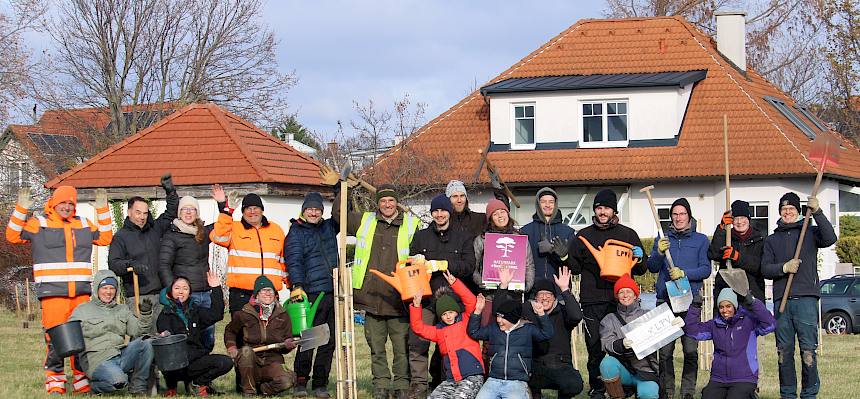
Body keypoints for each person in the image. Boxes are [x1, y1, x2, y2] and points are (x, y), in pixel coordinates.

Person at [5, 185, 112, 394]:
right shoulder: (39, 223)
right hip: (53, 293)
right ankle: (55, 379)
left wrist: (102, 210)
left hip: (80, 293)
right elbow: (12, 236)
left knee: (80, 336)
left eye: (71, 203)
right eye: (63, 203)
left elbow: (106, 238)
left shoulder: (83, 223)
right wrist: (21, 209)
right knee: (54, 337)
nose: (67, 207)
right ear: (54, 203)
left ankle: (81, 377)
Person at [328, 175, 420, 399]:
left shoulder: (411, 224)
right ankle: (380, 385)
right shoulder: (365, 221)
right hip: (371, 297)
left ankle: (401, 386)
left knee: (401, 347)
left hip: (399, 297)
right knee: (376, 348)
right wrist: (344, 189)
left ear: (396, 202)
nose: (387, 205)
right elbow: (339, 216)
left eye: (391, 201)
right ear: (377, 203)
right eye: (383, 201)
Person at [567, 189, 647, 399]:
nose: (602, 212)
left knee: (625, 343)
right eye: (599, 208)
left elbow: (640, 269)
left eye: (606, 208)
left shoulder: (628, 234)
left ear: (614, 210)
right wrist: (564, 255)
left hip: (620, 301)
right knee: (594, 347)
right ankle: (597, 387)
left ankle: (625, 385)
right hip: (592, 300)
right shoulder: (584, 235)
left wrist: (641, 256)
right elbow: (574, 268)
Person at [761, 192, 836, 398]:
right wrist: (783, 268)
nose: (787, 212)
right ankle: (787, 394)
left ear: (798, 211)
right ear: (780, 212)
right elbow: (765, 269)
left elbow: (830, 238)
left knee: (808, 351)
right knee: (783, 353)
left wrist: (818, 212)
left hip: (806, 299)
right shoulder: (772, 240)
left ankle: (809, 394)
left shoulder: (810, 233)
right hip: (782, 302)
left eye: (791, 209)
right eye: (784, 209)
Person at [408, 193, 477, 398]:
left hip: (452, 302)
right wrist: (416, 259)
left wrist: (443, 264)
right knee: (417, 342)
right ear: (432, 213)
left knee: (449, 344)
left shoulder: (464, 236)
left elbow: (468, 266)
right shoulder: (421, 236)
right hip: (428, 299)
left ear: (449, 211)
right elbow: (410, 261)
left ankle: (445, 381)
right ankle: (419, 385)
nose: (439, 214)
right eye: (435, 211)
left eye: (443, 210)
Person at [646, 197, 710, 399]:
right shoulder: (663, 239)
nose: (679, 217)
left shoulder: (701, 240)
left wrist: (685, 273)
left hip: (690, 301)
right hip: (665, 301)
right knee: (665, 352)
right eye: (675, 214)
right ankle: (667, 391)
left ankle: (688, 392)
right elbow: (652, 267)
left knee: (690, 351)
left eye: (682, 214)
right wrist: (658, 252)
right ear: (670, 217)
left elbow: (706, 270)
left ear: (689, 216)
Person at [285, 192, 339, 398]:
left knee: (329, 340)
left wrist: (339, 189)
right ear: (304, 210)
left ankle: (320, 382)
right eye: (310, 209)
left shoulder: (328, 227)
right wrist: (297, 285)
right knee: (310, 339)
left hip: (332, 290)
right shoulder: (297, 232)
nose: (314, 212)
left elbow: (341, 211)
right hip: (311, 293)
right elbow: (294, 259)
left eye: (317, 209)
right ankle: (301, 380)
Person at [109, 173, 178, 330]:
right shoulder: (121, 237)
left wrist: (170, 192)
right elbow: (114, 264)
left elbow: (171, 212)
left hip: (160, 295)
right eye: (138, 212)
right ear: (129, 212)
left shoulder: (154, 229)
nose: (142, 217)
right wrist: (132, 265)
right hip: (137, 297)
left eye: (145, 213)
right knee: (143, 338)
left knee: (162, 336)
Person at [69, 270, 155, 395]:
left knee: (147, 343)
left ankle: (137, 386)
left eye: (112, 288)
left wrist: (145, 315)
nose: (108, 292)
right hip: (98, 360)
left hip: (120, 354)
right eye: (104, 288)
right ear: (97, 289)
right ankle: (95, 386)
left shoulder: (122, 309)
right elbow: (69, 335)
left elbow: (138, 331)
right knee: (119, 382)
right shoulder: (82, 310)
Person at [684, 288, 776, 399]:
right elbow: (692, 331)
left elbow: (770, 325)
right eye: (721, 307)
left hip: (744, 377)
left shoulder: (748, 321)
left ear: (735, 306)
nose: (725, 310)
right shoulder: (715, 324)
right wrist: (695, 306)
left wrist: (754, 302)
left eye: (728, 306)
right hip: (718, 378)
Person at [210, 185, 287, 314]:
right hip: (241, 294)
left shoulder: (276, 230)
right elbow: (218, 237)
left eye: (256, 208)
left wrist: (292, 285)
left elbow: (283, 260)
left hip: (269, 293)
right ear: (243, 211)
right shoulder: (234, 228)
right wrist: (226, 212)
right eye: (248, 209)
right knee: (242, 333)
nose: (252, 212)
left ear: (262, 210)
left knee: (270, 332)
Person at [409, 271, 484, 399]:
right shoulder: (439, 331)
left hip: (472, 376)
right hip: (451, 380)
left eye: (450, 312)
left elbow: (471, 301)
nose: (448, 316)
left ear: (456, 311)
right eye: (444, 314)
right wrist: (416, 307)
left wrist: (455, 283)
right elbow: (418, 328)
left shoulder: (466, 320)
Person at [156, 273, 232, 397]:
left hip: (193, 362)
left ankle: (197, 384)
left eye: (185, 288)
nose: (181, 291)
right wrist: (165, 334)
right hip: (175, 365)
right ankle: (171, 386)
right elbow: (167, 340)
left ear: (190, 293)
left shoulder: (195, 311)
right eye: (177, 288)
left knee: (225, 362)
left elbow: (217, 314)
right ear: (170, 292)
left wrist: (216, 288)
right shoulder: (165, 315)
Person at [158, 194, 218, 351]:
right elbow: (164, 265)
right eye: (184, 209)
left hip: (206, 292)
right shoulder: (172, 235)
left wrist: (223, 204)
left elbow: (223, 226)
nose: (188, 212)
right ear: (179, 213)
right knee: (192, 339)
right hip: (189, 295)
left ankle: (204, 370)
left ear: (197, 213)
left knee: (209, 338)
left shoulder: (202, 233)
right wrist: (174, 290)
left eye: (192, 209)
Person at [467, 291, 553, 399]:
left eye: (503, 318)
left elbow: (547, 334)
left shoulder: (527, 329)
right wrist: (478, 311)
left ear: (514, 319)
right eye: (498, 316)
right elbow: (474, 332)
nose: (499, 321)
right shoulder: (493, 329)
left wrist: (541, 314)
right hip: (493, 380)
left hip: (517, 382)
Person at [224, 276, 299, 396]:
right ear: (256, 295)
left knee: (287, 381)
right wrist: (231, 347)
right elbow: (230, 331)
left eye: (270, 290)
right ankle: (249, 391)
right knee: (246, 352)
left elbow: (286, 340)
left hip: (272, 360)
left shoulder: (283, 315)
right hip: (250, 359)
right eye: (263, 290)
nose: (268, 293)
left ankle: (264, 389)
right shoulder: (244, 313)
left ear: (275, 294)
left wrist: (289, 345)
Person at [599, 274, 671, 399]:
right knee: (607, 363)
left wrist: (672, 326)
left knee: (648, 394)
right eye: (621, 292)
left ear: (636, 295)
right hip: (624, 370)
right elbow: (606, 343)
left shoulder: (649, 315)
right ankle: (617, 395)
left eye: (629, 291)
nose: (625, 295)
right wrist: (621, 344)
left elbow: (663, 336)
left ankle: (643, 390)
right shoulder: (609, 319)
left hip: (645, 371)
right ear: (617, 296)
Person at [522, 268, 584, 399]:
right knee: (521, 377)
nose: (544, 297)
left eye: (548, 294)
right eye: (541, 294)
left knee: (574, 384)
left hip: (561, 364)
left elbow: (577, 316)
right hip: (536, 366)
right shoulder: (528, 311)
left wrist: (565, 290)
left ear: (555, 297)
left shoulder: (562, 311)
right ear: (535, 298)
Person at [708, 200, 766, 307]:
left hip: (753, 294)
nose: (739, 222)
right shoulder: (727, 237)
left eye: (743, 218)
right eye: (736, 218)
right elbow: (713, 254)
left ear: (749, 219)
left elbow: (759, 266)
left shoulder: (759, 239)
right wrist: (721, 228)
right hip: (728, 295)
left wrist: (738, 257)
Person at [521, 187, 575, 282]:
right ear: (538, 204)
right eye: (543, 202)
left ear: (555, 204)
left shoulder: (567, 232)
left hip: (559, 288)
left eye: (551, 202)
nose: (547, 205)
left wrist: (564, 256)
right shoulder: (525, 231)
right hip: (533, 288)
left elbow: (575, 266)